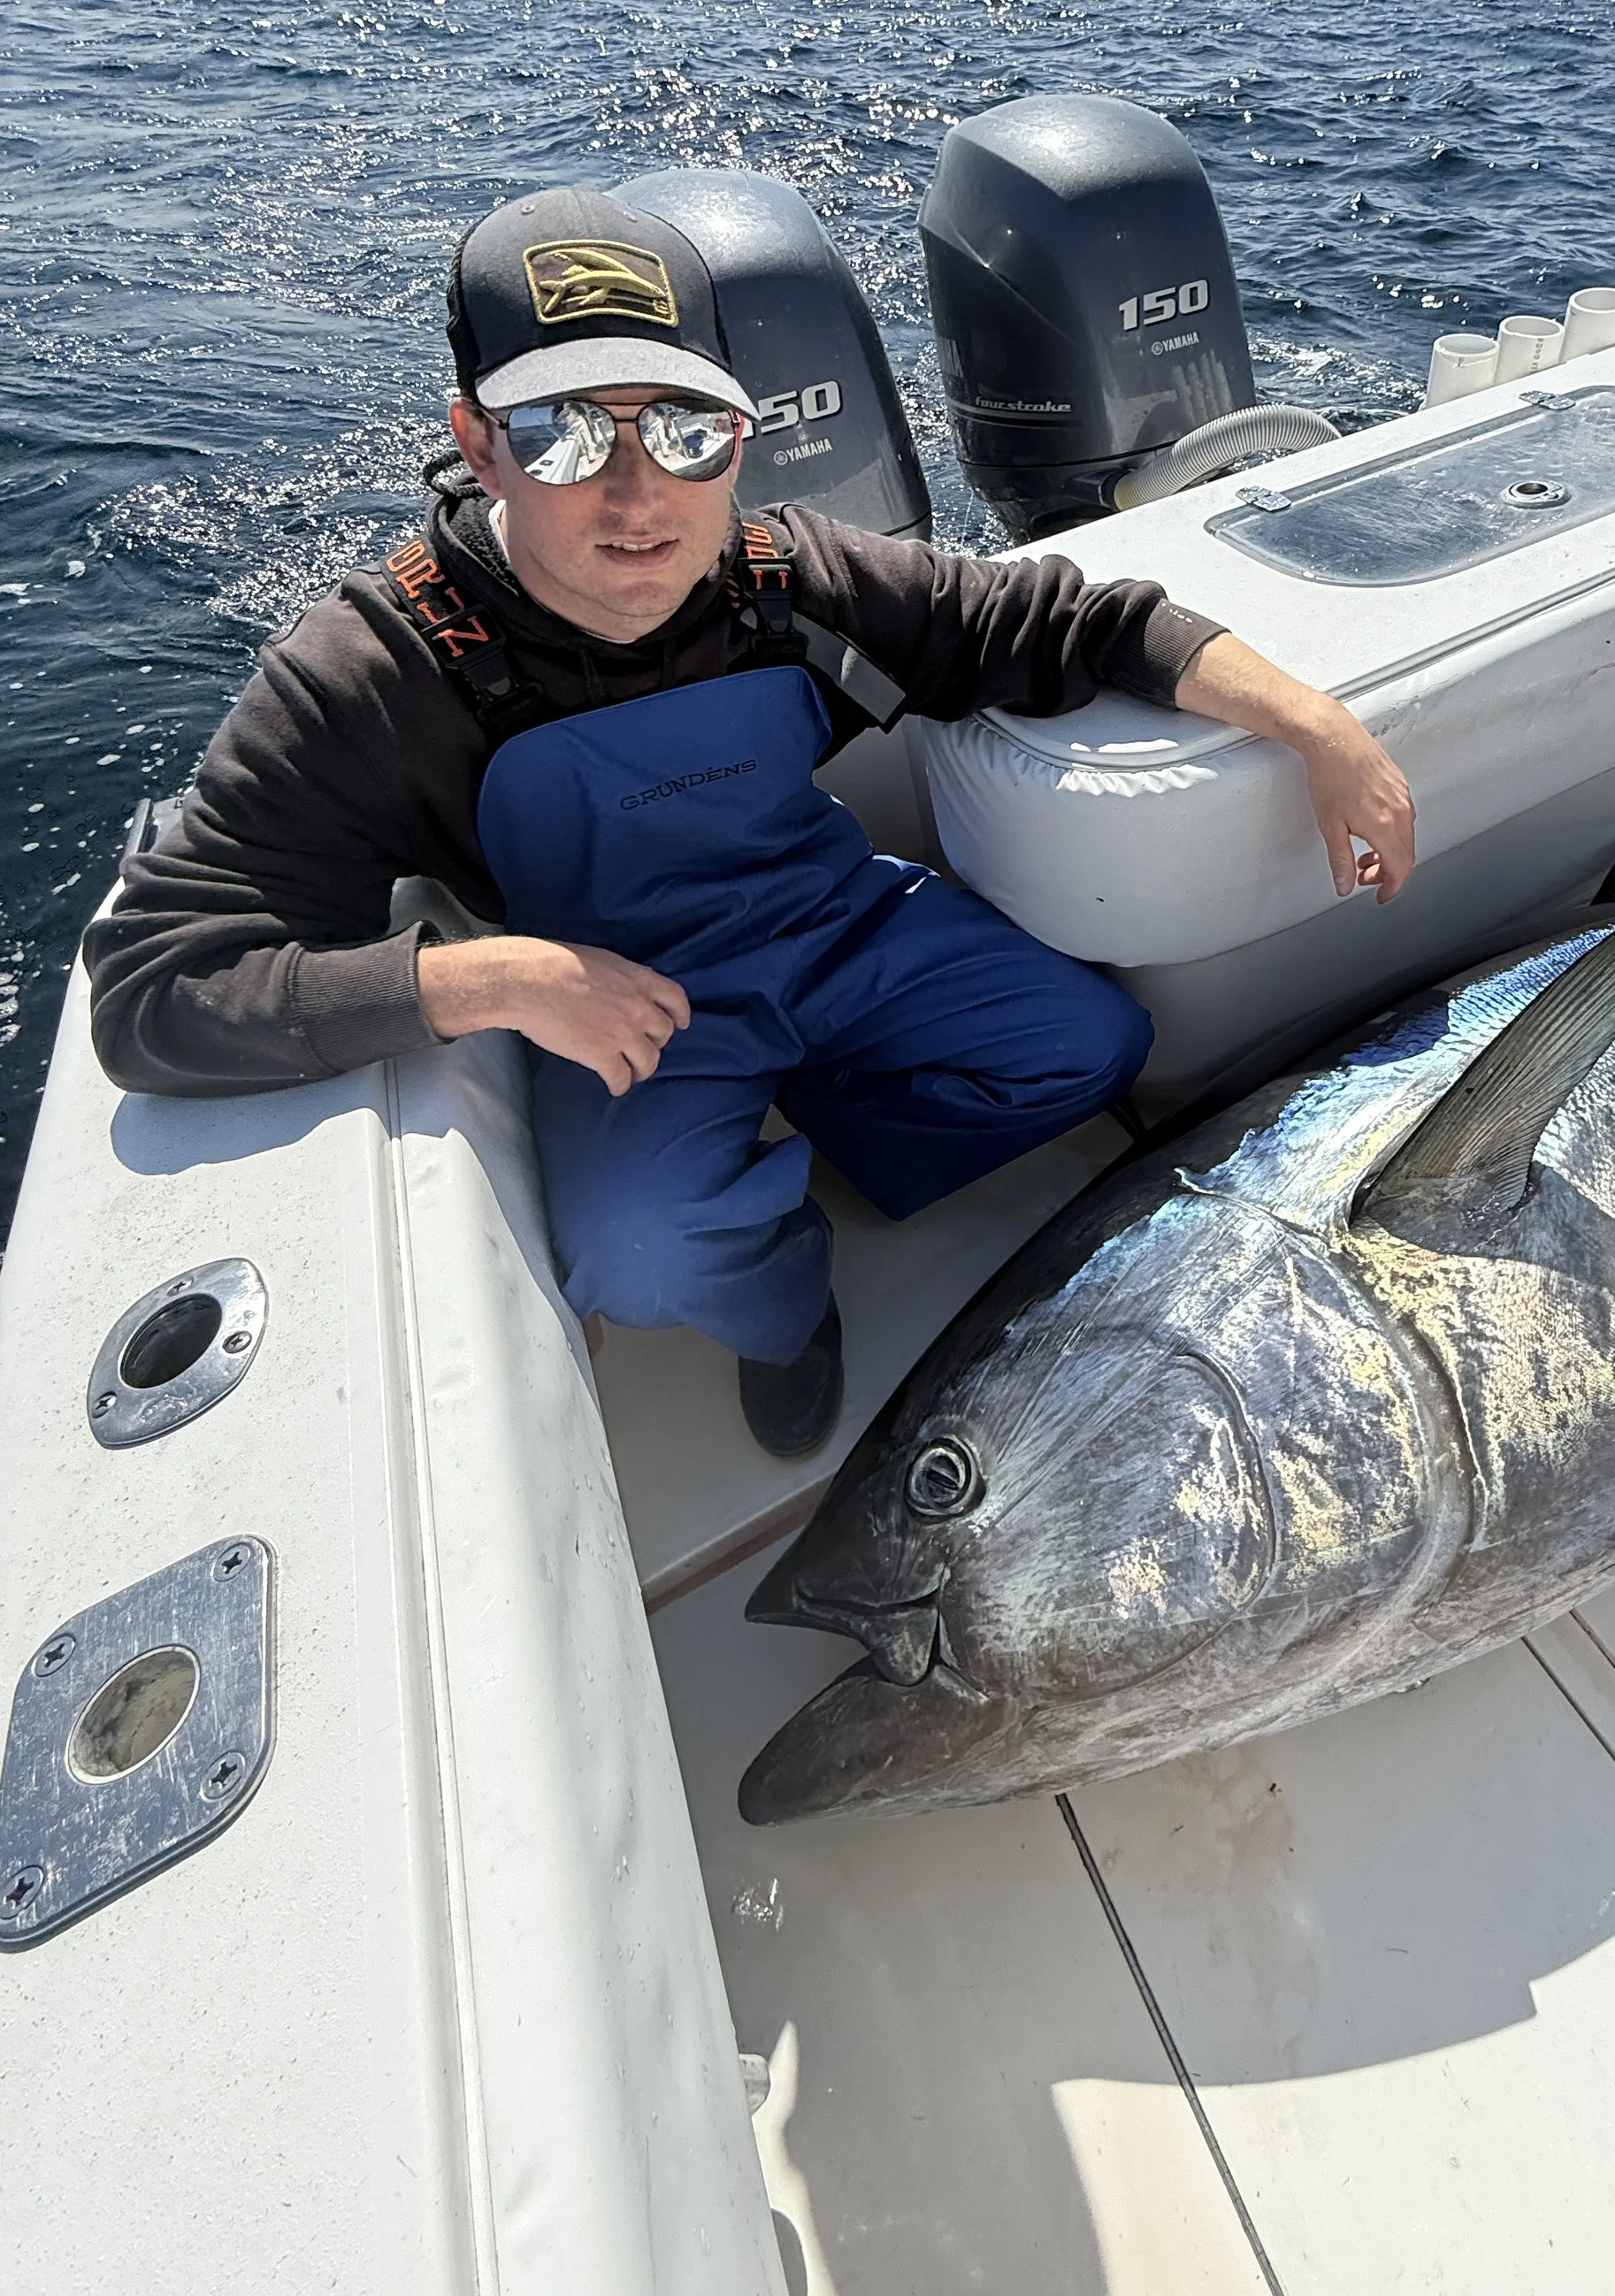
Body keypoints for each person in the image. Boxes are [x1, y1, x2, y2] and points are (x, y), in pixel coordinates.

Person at [88, 185, 1415, 1456]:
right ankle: (783, 1294)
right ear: (479, 440)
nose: (636, 495)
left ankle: (822, 1123)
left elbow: (1072, 622)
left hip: (829, 921)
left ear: (739, 436)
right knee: (639, 1254)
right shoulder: (377, 672)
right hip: (617, 996)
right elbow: (156, 986)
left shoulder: (790, 576)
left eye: (683, 431)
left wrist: (1315, 723)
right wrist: (487, 978)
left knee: (1090, 1046)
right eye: (561, 431)